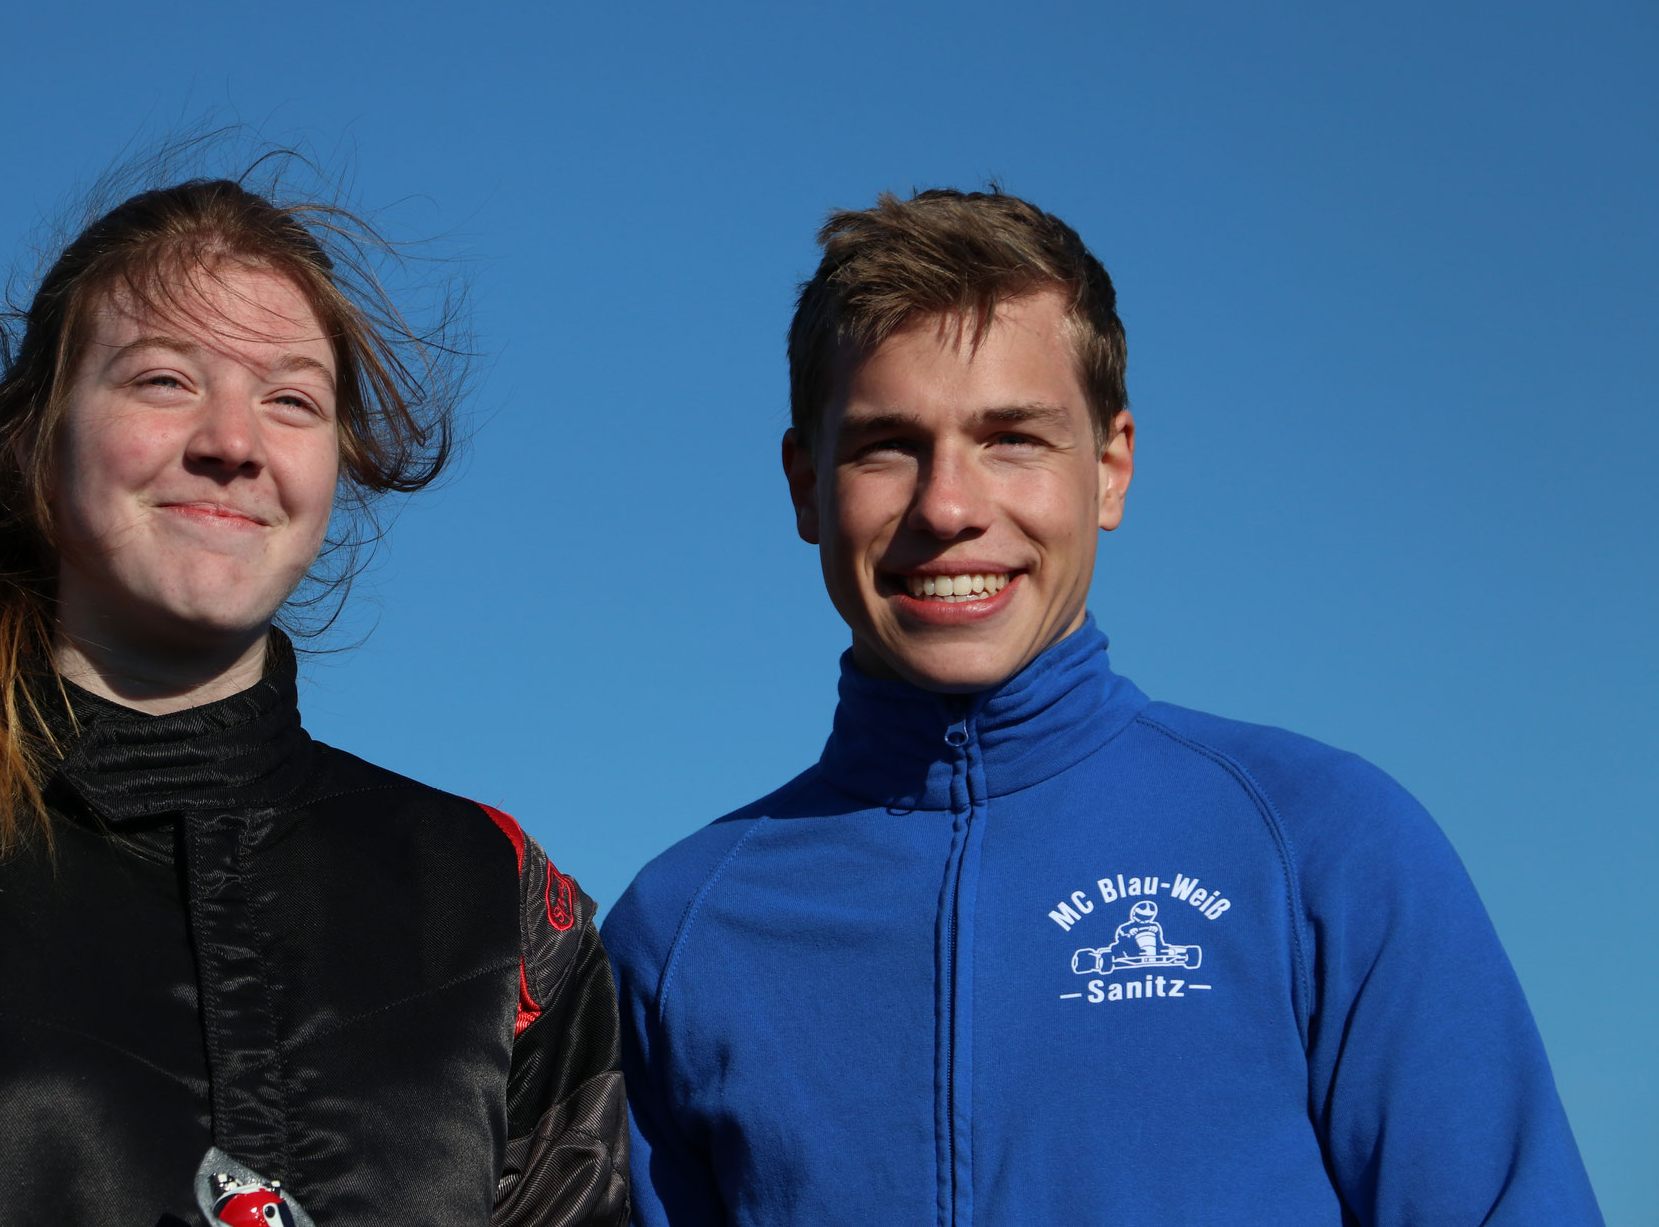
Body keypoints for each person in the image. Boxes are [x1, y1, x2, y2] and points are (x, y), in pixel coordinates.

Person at [0, 173, 629, 1225]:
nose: (231, 442)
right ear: (36, 449)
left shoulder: (498, 908)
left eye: (289, 399)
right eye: (162, 382)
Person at [600, 188, 1600, 1225]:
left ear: (1109, 469)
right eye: (885, 445)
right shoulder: (678, 935)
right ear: (806, 486)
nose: (947, 506)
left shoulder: (1320, 844)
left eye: (1012, 439)